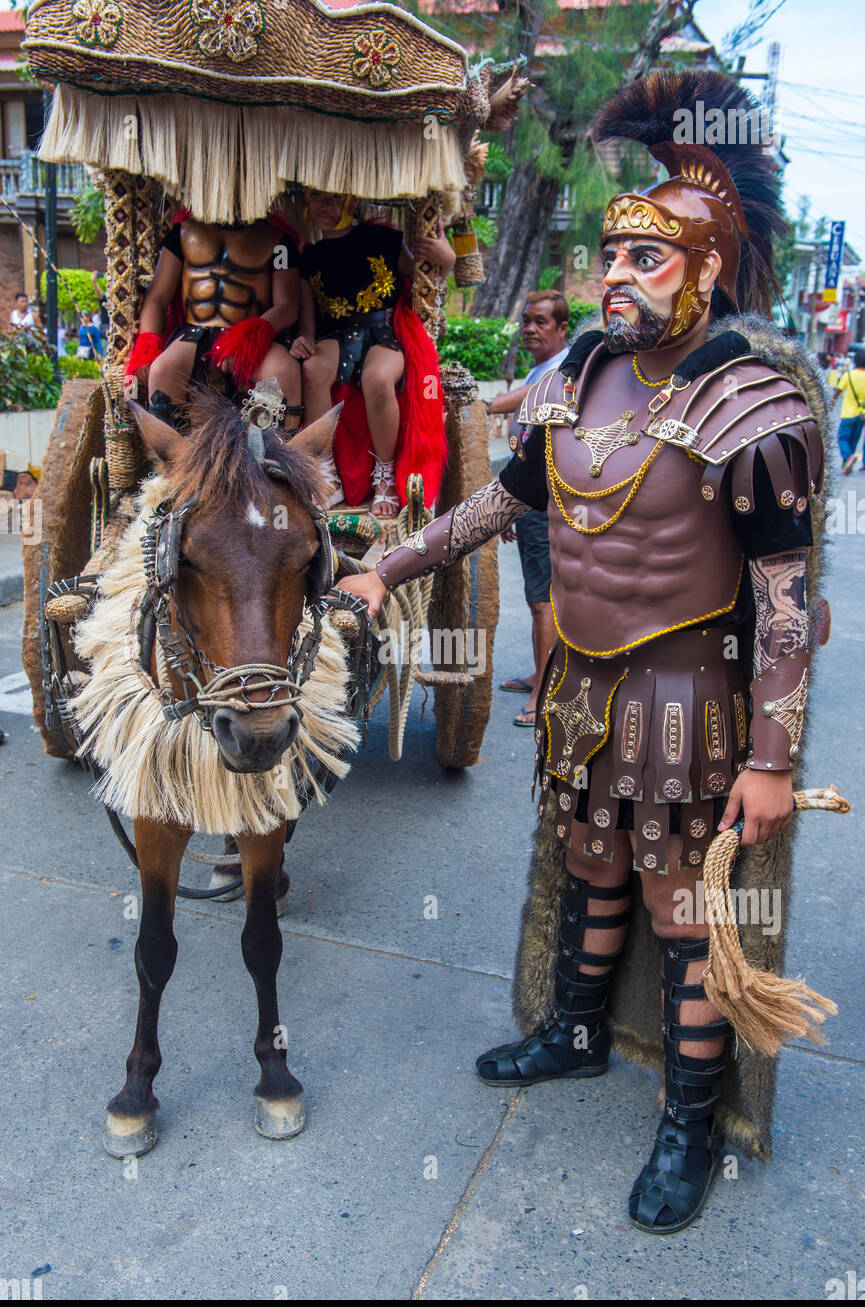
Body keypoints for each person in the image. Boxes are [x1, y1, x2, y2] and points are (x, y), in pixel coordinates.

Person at [339, 70, 826, 1234]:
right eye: (608, 253)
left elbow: (785, 599)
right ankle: (569, 1032)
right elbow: (493, 510)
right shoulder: (576, 379)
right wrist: (386, 568)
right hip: (584, 691)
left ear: (705, 274)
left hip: (682, 694)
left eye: (644, 259)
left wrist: (770, 754)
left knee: (677, 904)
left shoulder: (756, 409)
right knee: (593, 862)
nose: (613, 275)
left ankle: (690, 1125)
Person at [293, 190, 454, 514]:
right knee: (311, 369)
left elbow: (426, 284)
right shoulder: (308, 256)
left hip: (385, 331)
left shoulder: (383, 239)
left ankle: (384, 473)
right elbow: (308, 319)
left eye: (334, 199)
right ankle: (326, 473)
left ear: (352, 202)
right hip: (336, 335)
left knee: (378, 378)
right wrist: (303, 339)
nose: (324, 206)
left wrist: (447, 260)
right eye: (317, 198)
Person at [125, 209, 303, 432]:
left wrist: (245, 339)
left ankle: (278, 462)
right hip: (196, 333)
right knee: (162, 370)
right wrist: (147, 345)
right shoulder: (181, 233)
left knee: (284, 371)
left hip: (253, 333)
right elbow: (157, 298)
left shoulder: (279, 242)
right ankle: (172, 464)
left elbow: (286, 306)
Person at [486, 291, 570, 726]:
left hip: (549, 501)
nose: (530, 329)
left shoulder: (561, 369)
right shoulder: (545, 366)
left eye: (541, 321)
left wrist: (478, 406)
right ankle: (543, 672)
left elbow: (516, 400)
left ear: (562, 329)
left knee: (543, 600)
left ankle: (545, 694)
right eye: (526, 321)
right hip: (535, 498)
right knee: (541, 594)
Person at [833, 347, 865, 474]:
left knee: (842, 438)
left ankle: (848, 457)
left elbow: (838, 390)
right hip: (862, 414)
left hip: (848, 413)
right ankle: (846, 464)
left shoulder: (849, 375)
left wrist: (832, 401)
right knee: (854, 439)